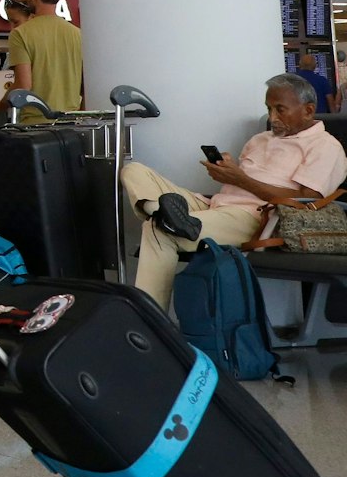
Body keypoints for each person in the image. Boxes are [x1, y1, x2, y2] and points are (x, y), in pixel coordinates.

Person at [124, 74, 346, 312]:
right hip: (215, 205)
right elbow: (246, 180)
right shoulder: (259, 139)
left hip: (258, 218)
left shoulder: (325, 146)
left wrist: (241, 179)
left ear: (308, 110)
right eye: (269, 109)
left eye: (280, 110)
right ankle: (158, 210)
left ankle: (149, 321)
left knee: (158, 229)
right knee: (133, 170)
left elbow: (308, 199)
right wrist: (229, 172)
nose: (272, 118)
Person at [8, 0, 81, 121]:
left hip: (35, 125)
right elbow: (85, 86)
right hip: (71, 123)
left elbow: (24, 85)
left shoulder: (21, 34)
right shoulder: (77, 34)